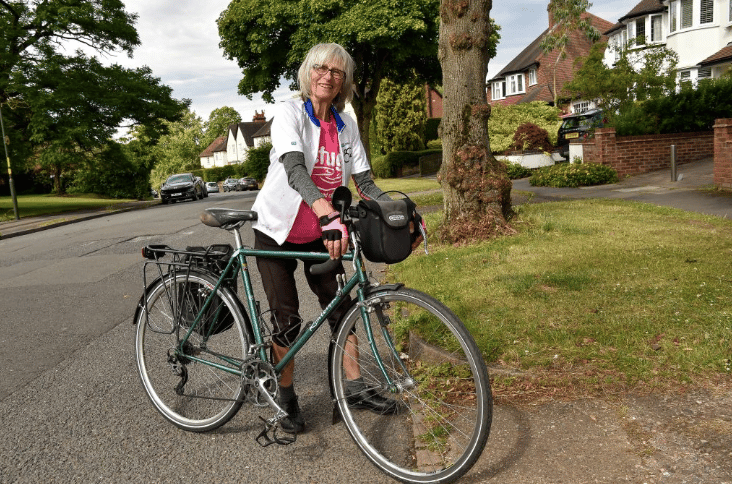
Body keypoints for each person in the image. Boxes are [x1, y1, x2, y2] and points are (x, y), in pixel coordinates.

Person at [251, 43, 422, 434]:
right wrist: (327, 212)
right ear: (308, 73)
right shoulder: (290, 112)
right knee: (287, 320)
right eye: (321, 68)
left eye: (337, 72)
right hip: (279, 229)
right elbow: (295, 170)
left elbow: (364, 182)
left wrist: (399, 210)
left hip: (324, 233)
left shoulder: (346, 121)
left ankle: (356, 387)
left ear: (345, 81)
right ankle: (287, 396)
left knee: (342, 309)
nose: (328, 76)